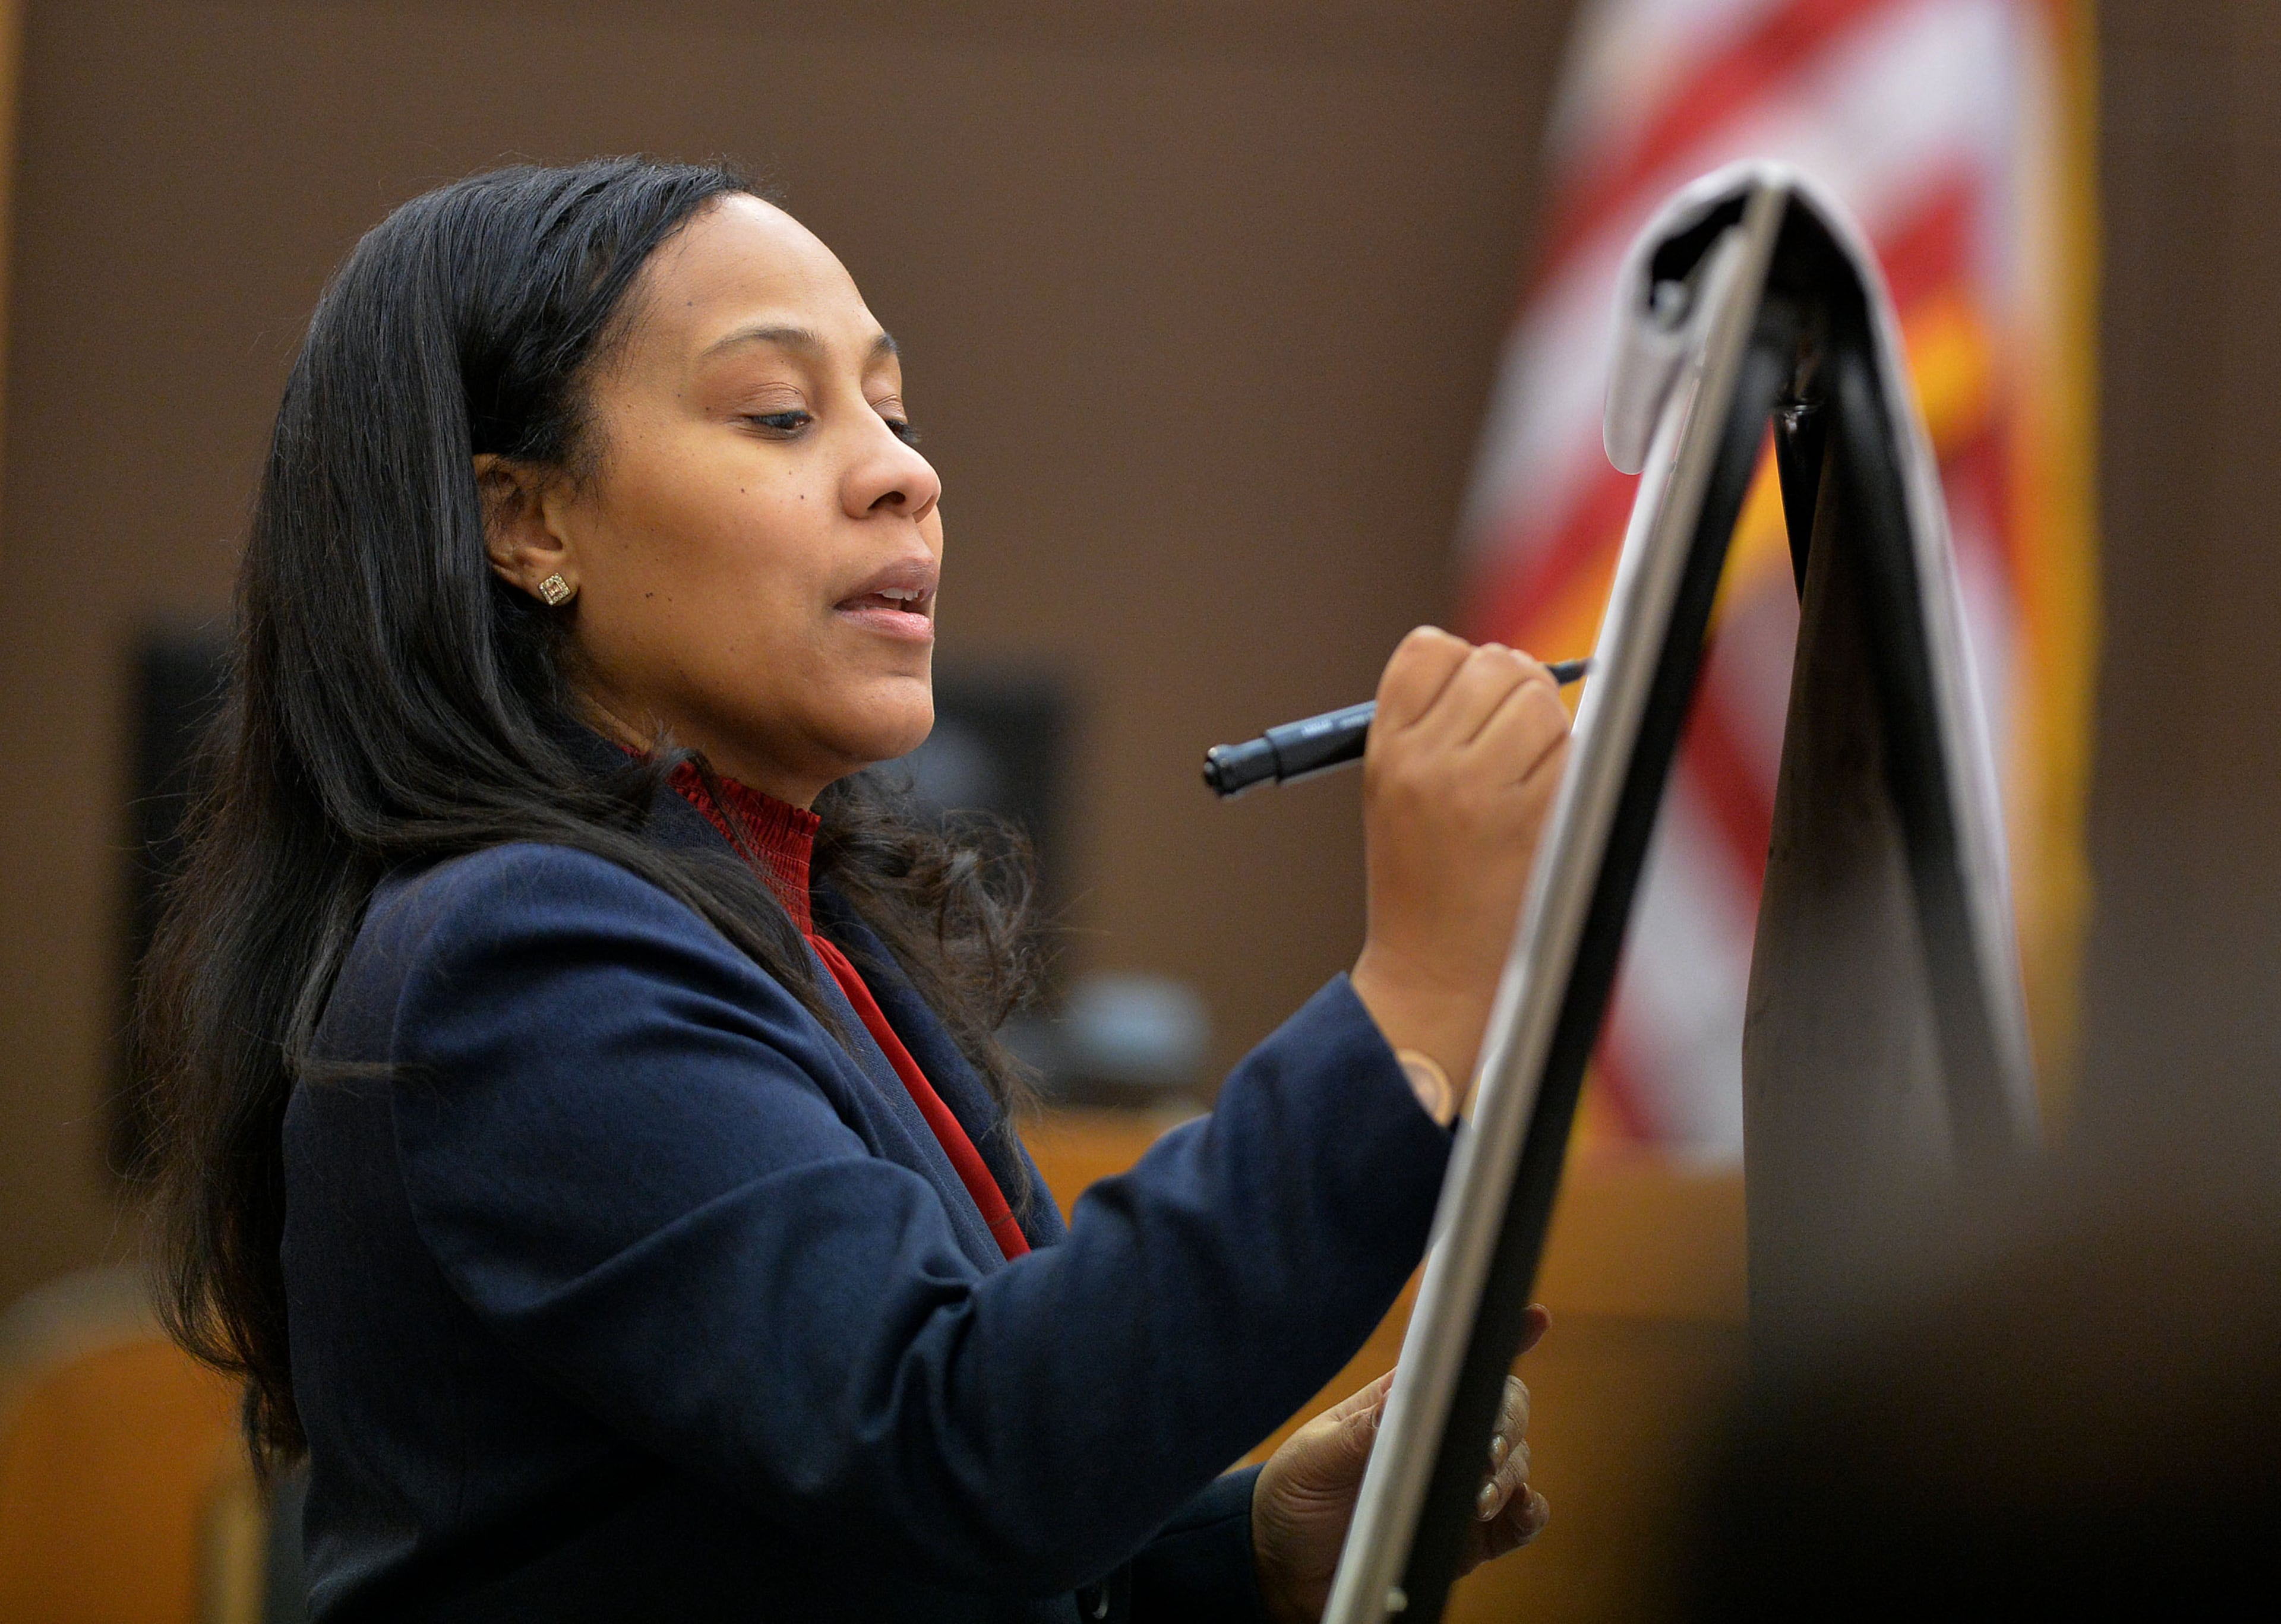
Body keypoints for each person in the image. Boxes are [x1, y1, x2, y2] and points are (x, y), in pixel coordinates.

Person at [140, 158, 1574, 1622]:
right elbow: (960, 1449)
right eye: (780, 412)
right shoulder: (514, 954)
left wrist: (1252, 1544)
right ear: (528, 525)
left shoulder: (793, 928)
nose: (908, 470)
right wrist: (1418, 994)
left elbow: (870, 1536)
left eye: (894, 411)